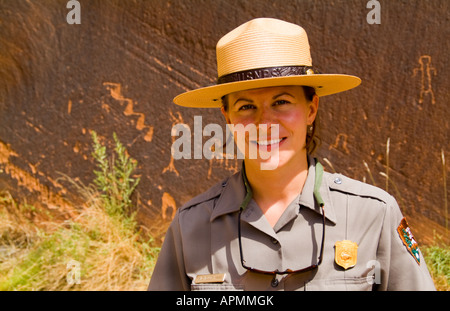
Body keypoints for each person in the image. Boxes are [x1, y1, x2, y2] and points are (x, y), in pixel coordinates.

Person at [148, 18, 435, 291]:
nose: (264, 122)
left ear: (311, 109)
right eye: (246, 107)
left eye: (282, 102)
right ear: (228, 118)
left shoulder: (373, 214)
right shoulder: (190, 228)